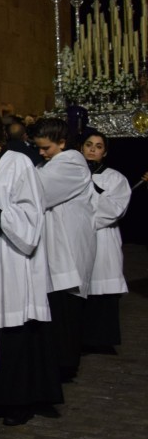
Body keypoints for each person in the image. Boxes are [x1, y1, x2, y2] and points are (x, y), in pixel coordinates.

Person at [0, 110, 61, 426]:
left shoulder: (19, 163)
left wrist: (0, 217)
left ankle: (20, 400)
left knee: (15, 334)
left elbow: (32, 213)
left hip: (12, 257)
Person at [32, 117, 96, 382]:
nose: (41, 153)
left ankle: (65, 365)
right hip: (56, 248)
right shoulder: (49, 164)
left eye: (46, 147)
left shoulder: (71, 163)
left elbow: (38, 192)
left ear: (62, 142)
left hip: (68, 248)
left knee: (66, 310)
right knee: (57, 309)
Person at [81, 131, 131, 354]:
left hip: (103, 238)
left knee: (102, 289)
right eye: (89, 145)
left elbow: (113, 209)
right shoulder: (72, 175)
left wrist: (84, 219)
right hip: (77, 239)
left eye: (98, 146)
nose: (92, 149)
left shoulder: (115, 178)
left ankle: (101, 339)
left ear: (105, 152)